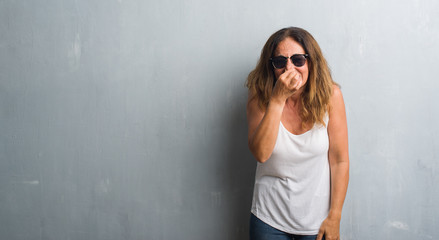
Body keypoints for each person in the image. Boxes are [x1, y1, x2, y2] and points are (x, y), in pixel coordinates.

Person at [246, 27, 349, 240]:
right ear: (271, 67)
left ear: (311, 62)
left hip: (316, 222)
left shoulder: (331, 96)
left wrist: (335, 216)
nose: (289, 68)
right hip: (269, 219)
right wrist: (277, 100)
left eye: (298, 60)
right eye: (280, 62)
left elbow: (340, 161)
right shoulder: (260, 98)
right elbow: (261, 154)